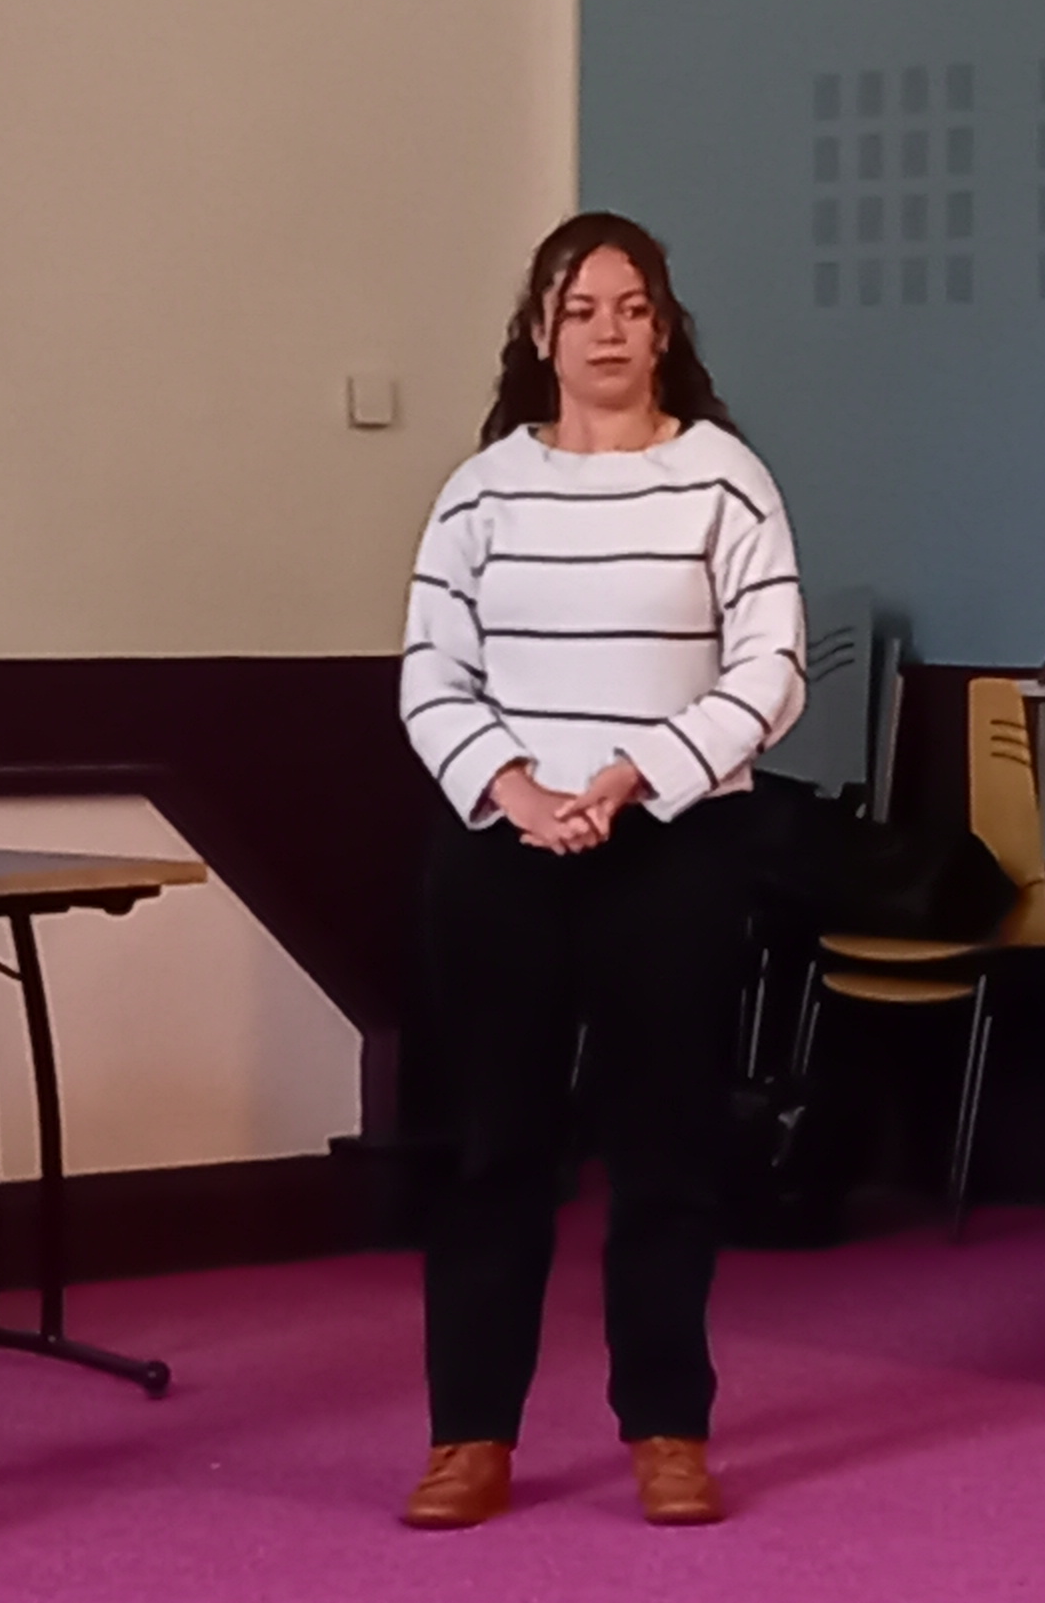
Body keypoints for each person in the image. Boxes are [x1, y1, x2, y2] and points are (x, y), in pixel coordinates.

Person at [397, 212, 806, 1532]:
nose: (609, 332)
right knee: (493, 1149)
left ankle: (668, 1429)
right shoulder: (481, 490)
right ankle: (469, 1435)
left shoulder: (725, 479)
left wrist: (639, 772)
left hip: (671, 847)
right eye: (582, 310)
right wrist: (514, 790)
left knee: (666, 1144)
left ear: (666, 327)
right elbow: (431, 674)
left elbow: (772, 669)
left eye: (633, 308)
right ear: (541, 332)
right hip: (505, 853)